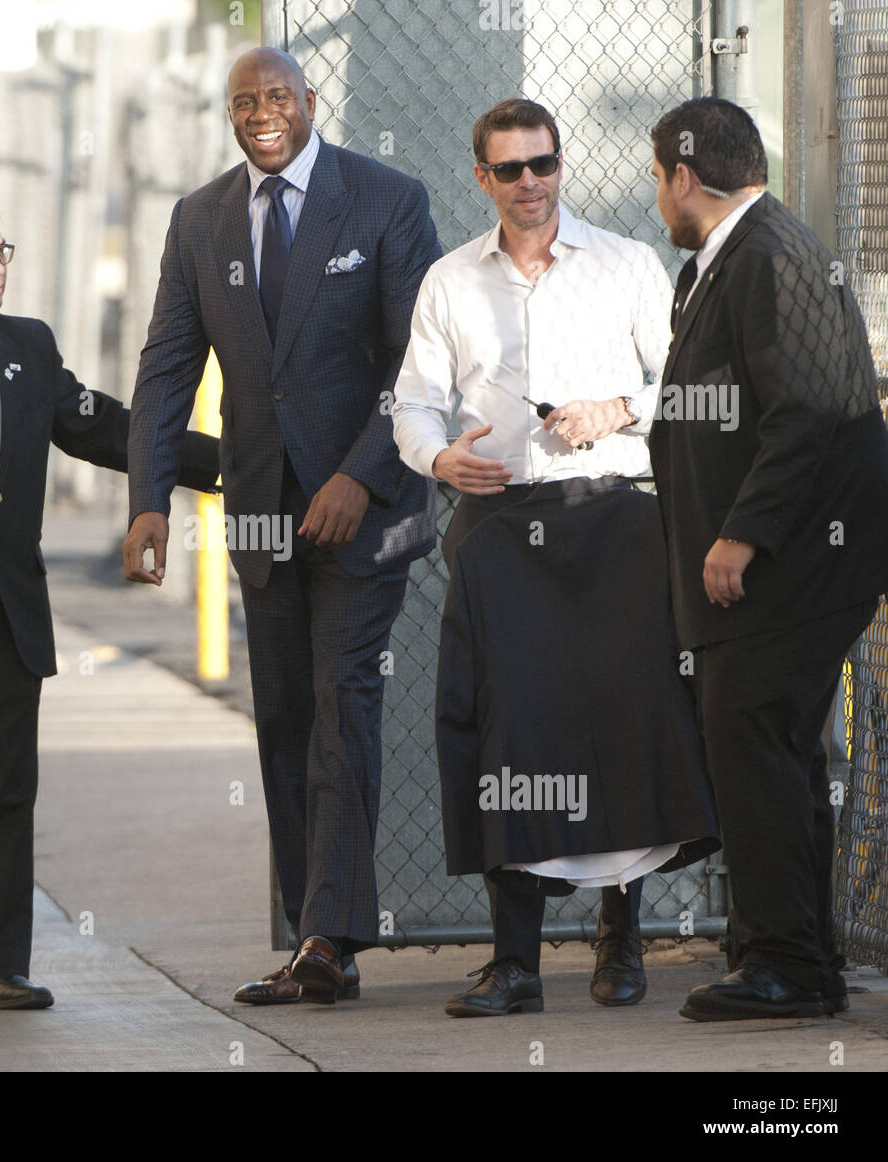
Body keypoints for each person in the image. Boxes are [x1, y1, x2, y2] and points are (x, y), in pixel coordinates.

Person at [124, 46, 442, 1005]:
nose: (261, 113)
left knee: (343, 702)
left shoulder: (386, 199)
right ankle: (318, 928)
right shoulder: (200, 218)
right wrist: (149, 498)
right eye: (243, 102)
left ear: (311, 102)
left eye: (277, 97)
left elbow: (421, 365)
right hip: (258, 512)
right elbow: (166, 368)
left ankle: (327, 942)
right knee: (286, 721)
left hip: (366, 512)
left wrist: (359, 473)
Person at [391, 98, 719, 1017]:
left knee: (626, 724)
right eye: (509, 170)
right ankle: (516, 964)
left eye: (543, 164)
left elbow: (682, 387)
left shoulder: (626, 263)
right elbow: (412, 403)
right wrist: (438, 457)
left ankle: (623, 945)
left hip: (614, 521)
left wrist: (615, 408)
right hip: (499, 530)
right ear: (481, 179)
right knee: (504, 730)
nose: (530, 184)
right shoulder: (450, 281)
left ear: (560, 165)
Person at [0, 192, 218, 1010]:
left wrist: (230, 467)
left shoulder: (26, 347)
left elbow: (100, 425)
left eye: (2, 253)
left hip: (7, 610)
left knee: (3, 786)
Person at [647, 97, 888, 1020]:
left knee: (759, 748)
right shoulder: (735, 257)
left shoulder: (770, 257)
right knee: (769, 755)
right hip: (773, 570)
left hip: (788, 569)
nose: (657, 198)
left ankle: (785, 966)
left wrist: (742, 532)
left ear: (682, 177)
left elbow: (810, 413)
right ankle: (788, 956)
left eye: (657, 178)